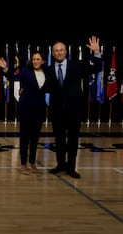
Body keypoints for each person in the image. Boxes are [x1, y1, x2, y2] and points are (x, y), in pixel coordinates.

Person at [47, 36, 103, 179]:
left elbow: (95, 68)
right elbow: (41, 85)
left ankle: (71, 168)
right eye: (56, 51)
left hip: (74, 110)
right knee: (59, 140)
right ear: (53, 53)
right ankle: (60, 165)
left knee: (73, 140)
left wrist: (97, 53)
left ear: (66, 52)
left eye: (61, 50)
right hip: (57, 111)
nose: (59, 52)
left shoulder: (77, 65)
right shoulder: (48, 70)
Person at [0, 51, 48, 175]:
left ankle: (32, 163)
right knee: (24, 137)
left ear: (43, 61)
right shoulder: (26, 70)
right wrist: (5, 68)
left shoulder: (48, 72)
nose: (35, 61)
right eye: (34, 59)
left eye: (38, 59)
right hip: (26, 109)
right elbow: (14, 78)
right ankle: (23, 164)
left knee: (35, 138)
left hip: (40, 109)